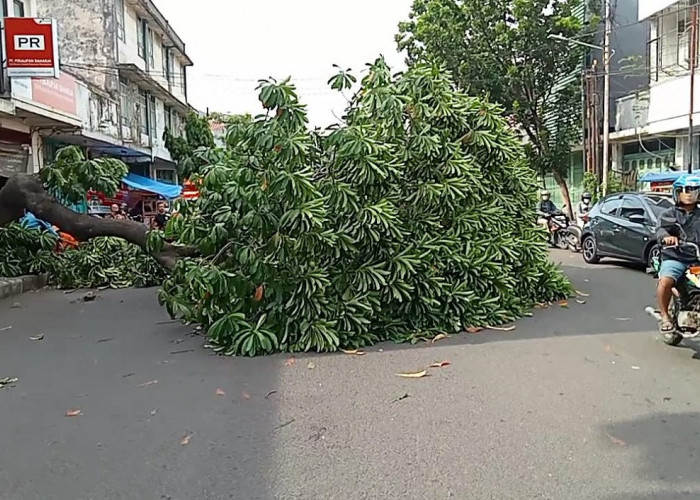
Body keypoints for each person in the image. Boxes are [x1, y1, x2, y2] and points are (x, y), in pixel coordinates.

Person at [655, 174, 700, 333]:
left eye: (692, 190)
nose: (688, 194)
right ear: (677, 193)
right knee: (665, 281)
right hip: (676, 257)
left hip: (696, 260)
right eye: (684, 190)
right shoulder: (669, 214)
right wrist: (667, 237)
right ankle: (665, 316)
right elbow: (660, 230)